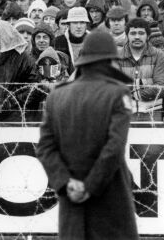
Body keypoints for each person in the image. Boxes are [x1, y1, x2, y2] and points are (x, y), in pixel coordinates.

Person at [36, 31, 139, 240]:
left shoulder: (57, 96)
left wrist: (67, 183)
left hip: (72, 205)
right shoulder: (117, 94)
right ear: (109, 60)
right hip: (110, 201)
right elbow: (114, 147)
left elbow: (45, 148)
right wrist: (90, 186)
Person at [118, 18, 164, 103]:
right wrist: (146, 83)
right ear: (127, 36)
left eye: (141, 33)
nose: (137, 37)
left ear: (148, 36)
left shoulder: (159, 55)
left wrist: (134, 95)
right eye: (133, 33)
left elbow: (161, 87)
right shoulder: (116, 57)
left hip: (152, 109)